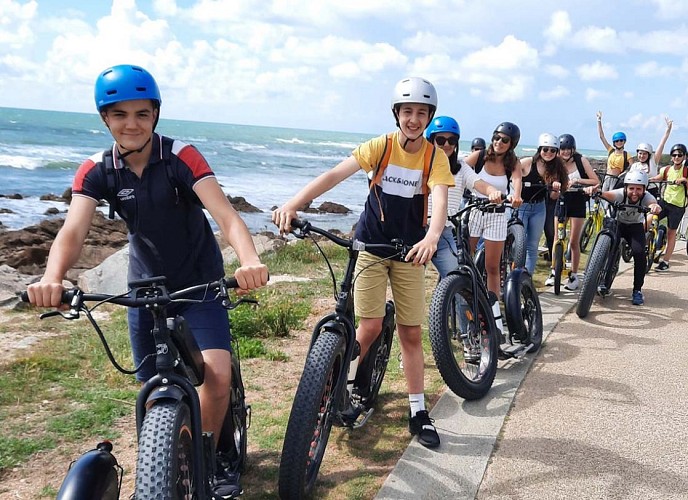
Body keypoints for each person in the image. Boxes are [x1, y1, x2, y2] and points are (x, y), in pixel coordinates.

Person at [25, 64, 269, 498]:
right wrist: (52, 277)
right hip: (145, 290)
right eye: (119, 114)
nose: (131, 123)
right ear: (105, 119)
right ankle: (163, 464)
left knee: (215, 376)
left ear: (156, 114)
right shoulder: (97, 170)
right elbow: (74, 230)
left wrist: (248, 259)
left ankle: (211, 459)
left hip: (199, 284)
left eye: (142, 113)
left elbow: (226, 215)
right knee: (153, 388)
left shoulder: (182, 158)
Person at [272, 77, 453, 448]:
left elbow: (438, 201)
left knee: (411, 333)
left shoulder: (436, 157)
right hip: (371, 247)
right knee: (368, 326)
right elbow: (334, 175)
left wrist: (433, 236)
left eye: (421, 113)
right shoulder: (381, 147)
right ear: (397, 114)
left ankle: (418, 411)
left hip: (410, 253)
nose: (414, 119)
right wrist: (294, 203)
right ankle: (345, 385)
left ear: (429, 117)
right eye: (407, 112)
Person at [463, 122, 522, 342]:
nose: (499, 142)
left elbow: (517, 181)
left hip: (497, 214)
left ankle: (494, 315)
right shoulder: (479, 156)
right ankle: (463, 302)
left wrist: (516, 196)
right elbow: (459, 169)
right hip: (474, 211)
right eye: (496, 137)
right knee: (464, 259)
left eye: (504, 140)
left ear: (511, 144)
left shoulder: (512, 163)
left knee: (492, 267)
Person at [425, 116, 502, 280]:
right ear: (430, 141)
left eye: (451, 140)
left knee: (458, 280)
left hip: (444, 231)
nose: (446, 144)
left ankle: (453, 306)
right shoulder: (420, 164)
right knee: (411, 284)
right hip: (418, 229)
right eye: (440, 140)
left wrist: (492, 192)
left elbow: (478, 183)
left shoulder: (461, 167)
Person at [593, 170, 662, 305]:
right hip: (616, 223)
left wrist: (654, 206)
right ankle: (598, 279)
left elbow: (652, 203)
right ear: (626, 187)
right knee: (609, 248)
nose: (635, 192)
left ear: (644, 189)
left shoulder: (647, 197)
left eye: (638, 189)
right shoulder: (619, 193)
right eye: (631, 188)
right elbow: (605, 194)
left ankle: (637, 290)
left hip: (635, 226)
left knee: (639, 253)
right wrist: (596, 191)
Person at [518, 134, 569, 276]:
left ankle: (527, 278)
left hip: (539, 208)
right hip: (522, 206)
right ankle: (514, 274)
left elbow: (553, 197)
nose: (548, 153)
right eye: (545, 149)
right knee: (518, 243)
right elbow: (511, 176)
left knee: (532, 245)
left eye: (553, 150)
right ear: (539, 149)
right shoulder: (527, 163)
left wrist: (557, 189)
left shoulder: (556, 169)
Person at [555, 133, 600, 291]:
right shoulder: (556, 161)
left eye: (568, 149)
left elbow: (596, 181)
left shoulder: (581, 161)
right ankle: (554, 271)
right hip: (561, 199)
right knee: (557, 238)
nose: (565, 152)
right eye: (562, 149)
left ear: (573, 149)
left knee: (574, 241)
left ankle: (574, 275)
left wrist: (578, 180)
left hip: (578, 200)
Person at [649, 143, 688, 271]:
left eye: (679, 155)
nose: (676, 157)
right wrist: (648, 179)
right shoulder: (666, 169)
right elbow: (659, 177)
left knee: (671, 233)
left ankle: (665, 261)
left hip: (678, 206)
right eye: (674, 155)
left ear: (684, 157)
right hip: (665, 202)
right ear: (671, 157)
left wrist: (685, 181)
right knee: (648, 219)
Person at [596, 111, 633, 191]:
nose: (619, 142)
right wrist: (599, 120)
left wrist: (624, 174)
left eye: (621, 140)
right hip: (607, 178)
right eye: (617, 141)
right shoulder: (611, 151)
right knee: (602, 197)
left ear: (624, 141)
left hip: (617, 179)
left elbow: (632, 167)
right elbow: (601, 136)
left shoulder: (626, 155)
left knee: (611, 200)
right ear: (614, 142)